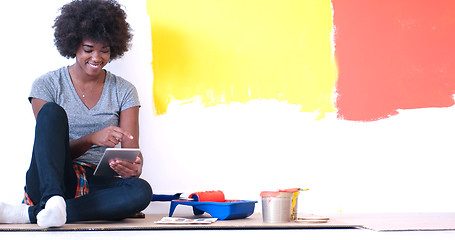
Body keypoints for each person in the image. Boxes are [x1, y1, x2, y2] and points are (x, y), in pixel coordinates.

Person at [0, 0, 152, 228]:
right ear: (73, 45)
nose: (97, 58)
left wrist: (134, 167)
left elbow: (133, 154)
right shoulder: (47, 85)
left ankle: (33, 214)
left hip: (96, 183)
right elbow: (48, 151)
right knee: (51, 112)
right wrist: (92, 139)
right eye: (88, 49)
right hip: (53, 178)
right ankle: (52, 201)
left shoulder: (124, 90)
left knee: (141, 191)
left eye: (105, 51)